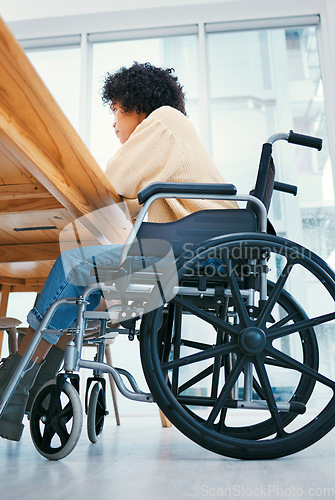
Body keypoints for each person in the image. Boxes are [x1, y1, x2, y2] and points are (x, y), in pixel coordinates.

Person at [0, 62, 238, 442]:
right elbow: (127, 210)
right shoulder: (170, 131)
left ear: (136, 104)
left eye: (116, 110)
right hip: (194, 248)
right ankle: (27, 387)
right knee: (81, 280)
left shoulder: (162, 123)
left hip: (193, 251)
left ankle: (16, 381)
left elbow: (110, 182)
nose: (114, 123)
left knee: (73, 266)